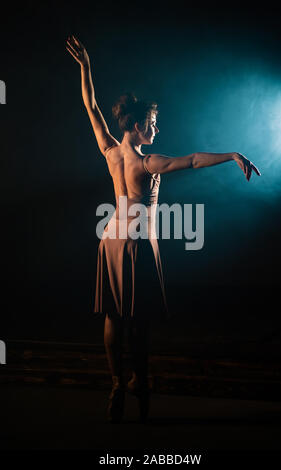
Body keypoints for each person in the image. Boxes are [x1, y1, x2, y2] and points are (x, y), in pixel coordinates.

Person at [66, 35, 261, 424]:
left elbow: (90, 105)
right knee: (137, 321)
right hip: (136, 243)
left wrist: (85, 67)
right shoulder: (147, 162)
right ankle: (140, 381)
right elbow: (190, 160)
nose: (157, 128)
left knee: (112, 316)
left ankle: (117, 383)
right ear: (138, 127)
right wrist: (232, 155)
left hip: (112, 240)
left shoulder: (109, 151)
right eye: (152, 124)